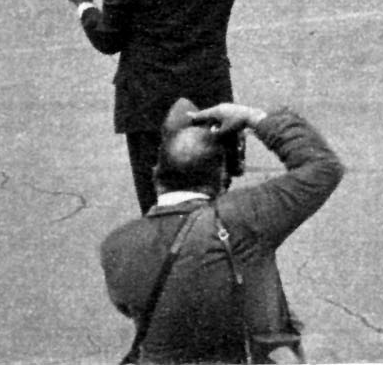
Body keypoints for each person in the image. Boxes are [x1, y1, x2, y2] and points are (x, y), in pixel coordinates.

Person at [99, 97, 343, 364]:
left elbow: (132, 306)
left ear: (157, 175)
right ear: (220, 176)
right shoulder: (245, 219)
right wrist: (253, 117)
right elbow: (323, 168)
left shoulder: (116, 246)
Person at [59, 0, 245, 213]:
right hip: (210, 99)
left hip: (150, 110)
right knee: (214, 208)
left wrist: (85, 3)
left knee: (159, 210)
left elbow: (108, 38)